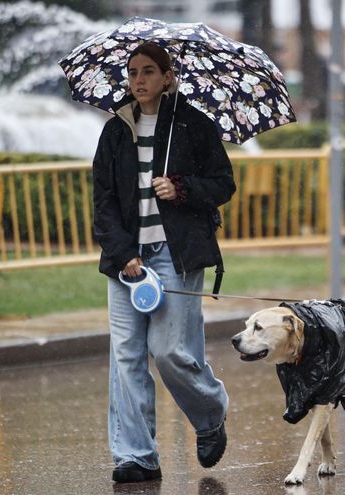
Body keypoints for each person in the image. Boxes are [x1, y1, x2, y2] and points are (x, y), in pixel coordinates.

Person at [91, 42, 236, 484]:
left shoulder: (193, 125)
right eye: (133, 71)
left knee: (170, 351)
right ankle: (137, 454)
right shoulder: (115, 130)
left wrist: (183, 188)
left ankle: (210, 413)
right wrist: (124, 255)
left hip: (178, 256)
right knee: (127, 355)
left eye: (149, 71)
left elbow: (223, 184)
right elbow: (104, 204)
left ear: (168, 76)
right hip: (127, 262)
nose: (139, 80)